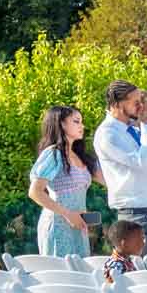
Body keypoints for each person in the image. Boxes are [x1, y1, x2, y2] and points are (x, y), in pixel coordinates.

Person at [94, 80, 147, 260]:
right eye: (135, 102)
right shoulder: (108, 134)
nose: (140, 106)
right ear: (117, 104)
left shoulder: (128, 130)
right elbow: (143, 163)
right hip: (137, 211)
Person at [28, 106, 98, 258]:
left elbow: (110, 180)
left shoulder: (80, 156)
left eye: (82, 122)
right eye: (76, 121)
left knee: (81, 275)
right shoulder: (54, 154)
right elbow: (35, 192)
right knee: (60, 276)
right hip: (58, 225)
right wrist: (68, 214)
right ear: (62, 124)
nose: (82, 126)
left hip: (78, 225)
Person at [102, 218, 144, 283]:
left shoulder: (126, 260)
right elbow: (116, 290)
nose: (143, 243)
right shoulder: (118, 266)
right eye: (138, 241)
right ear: (124, 244)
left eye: (143, 239)